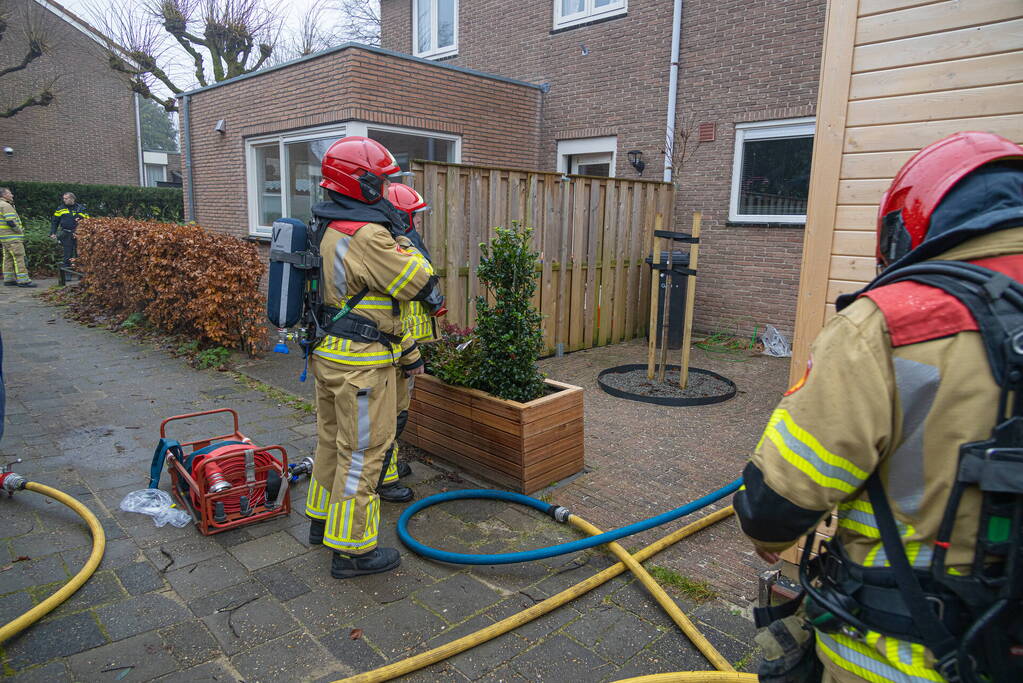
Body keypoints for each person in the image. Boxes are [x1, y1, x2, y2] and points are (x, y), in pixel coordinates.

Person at [735, 131, 1023, 682]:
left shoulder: (891, 325)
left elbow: (782, 493)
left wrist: (769, 535)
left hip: (904, 652)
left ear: (904, 228)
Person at [304, 136, 444, 579]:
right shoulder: (366, 234)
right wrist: (403, 237)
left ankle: (321, 522)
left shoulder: (327, 224)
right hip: (362, 364)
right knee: (363, 453)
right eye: (381, 183)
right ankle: (352, 551)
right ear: (361, 183)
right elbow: (419, 279)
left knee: (331, 441)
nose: (385, 191)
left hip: (330, 354)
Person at [377, 183, 439, 499]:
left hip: (398, 341)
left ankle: (389, 470)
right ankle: (384, 477)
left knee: (396, 409)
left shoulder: (380, 240)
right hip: (397, 341)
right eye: (412, 215)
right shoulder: (391, 244)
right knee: (392, 413)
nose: (415, 221)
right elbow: (423, 277)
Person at [0, 188, 35, 288]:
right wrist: (20, 230)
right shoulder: (6, 206)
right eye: (10, 193)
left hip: (4, 238)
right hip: (13, 238)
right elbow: (10, 221)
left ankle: (9, 279)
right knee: (19, 258)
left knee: (7, 258)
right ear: (4, 195)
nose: (12, 195)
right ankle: (23, 281)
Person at [50, 192, 89, 272]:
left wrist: (81, 218)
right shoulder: (60, 208)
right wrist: (52, 233)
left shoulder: (81, 208)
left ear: (72, 199)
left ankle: (80, 274)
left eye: (66, 198)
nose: (64, 200)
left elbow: (87, 219)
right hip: (66, 234)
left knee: (80, 254)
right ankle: (67, 274)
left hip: (79, 234)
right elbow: (55, 221)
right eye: (64, 198)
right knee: (67, 254)